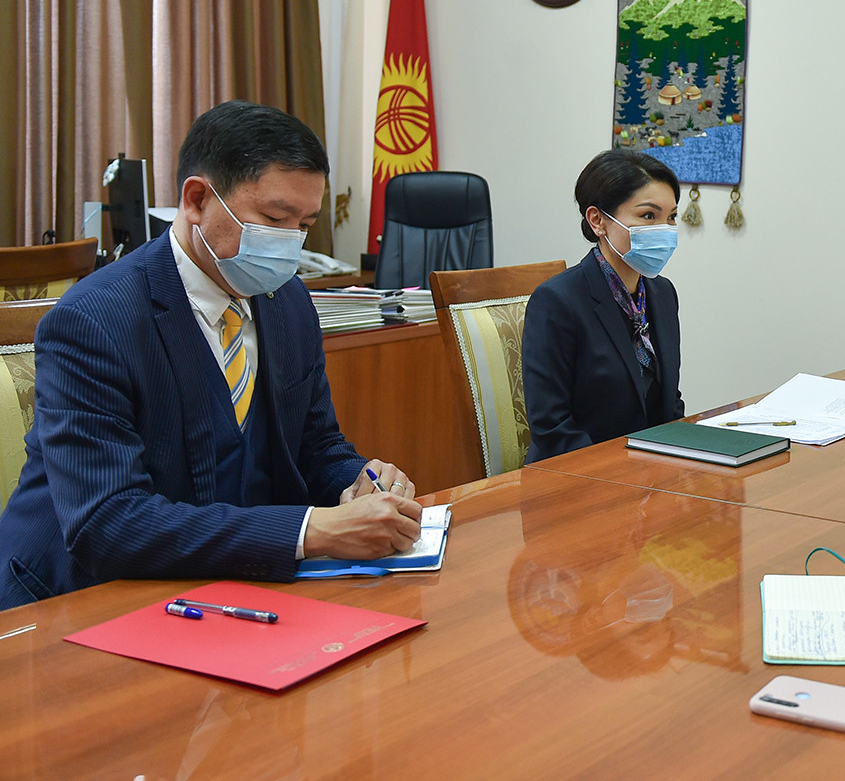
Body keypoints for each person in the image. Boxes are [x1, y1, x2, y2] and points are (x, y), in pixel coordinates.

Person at [0, 101, 423, 610]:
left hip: (227, 589)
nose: (289, 244)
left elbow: (315, 445)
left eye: (305, 225)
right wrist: (311, 531)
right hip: (80, 603)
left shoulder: (288, 301)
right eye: (274, 219)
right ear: (197, 199)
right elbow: (107, 523)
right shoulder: (93, 321)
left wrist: (360, 484)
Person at [523, 149, 684, 463]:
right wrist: (621, 477)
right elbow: (552, 427)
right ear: (598, 221)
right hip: (578, 475)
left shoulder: (663, 293)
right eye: (648, 216)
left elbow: (669, 403)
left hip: (650, 472)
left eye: (671, 217)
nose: (664, 230)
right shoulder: (557, 300)